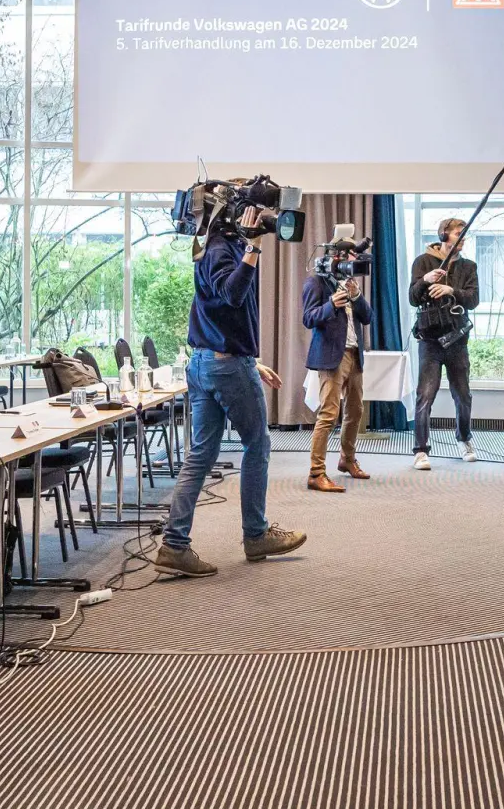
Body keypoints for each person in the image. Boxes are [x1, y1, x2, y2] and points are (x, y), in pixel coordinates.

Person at [156, 208, 307, 579]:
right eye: (260, 212)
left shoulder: (210, 245)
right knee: (257, 444)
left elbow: (216, 311)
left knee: (201, 454)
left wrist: (249, 362)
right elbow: (232, 294)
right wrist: (253, 246)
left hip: (206, 361)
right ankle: (256, 535)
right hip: (225, 364)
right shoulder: (225, 248)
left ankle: (174, 545)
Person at [408, 217, 480, 470]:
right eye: (457, 234)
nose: (461, 239)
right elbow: (413, 298)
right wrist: (425, 280)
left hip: (457, 339)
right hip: (430, 340)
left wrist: (452, 291)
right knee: (425, 394)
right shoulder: (423, 261)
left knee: (463, 394)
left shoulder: (468, 266)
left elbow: (473, 300)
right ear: (443, 235)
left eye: (464, 234)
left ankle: (464, 439)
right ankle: (420, 450)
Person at [302, 250, 373, 492]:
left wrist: (357, 295)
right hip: (332, 355)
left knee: (356, 410)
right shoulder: (316, 282)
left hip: (354, 354)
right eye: (350, 257)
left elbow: (367, 317)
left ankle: (347, 459)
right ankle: (316, 472)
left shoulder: (351, 284)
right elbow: (308, 318)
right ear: (337, 257)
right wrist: (330, 304)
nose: (354, 263)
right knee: (329, 414)